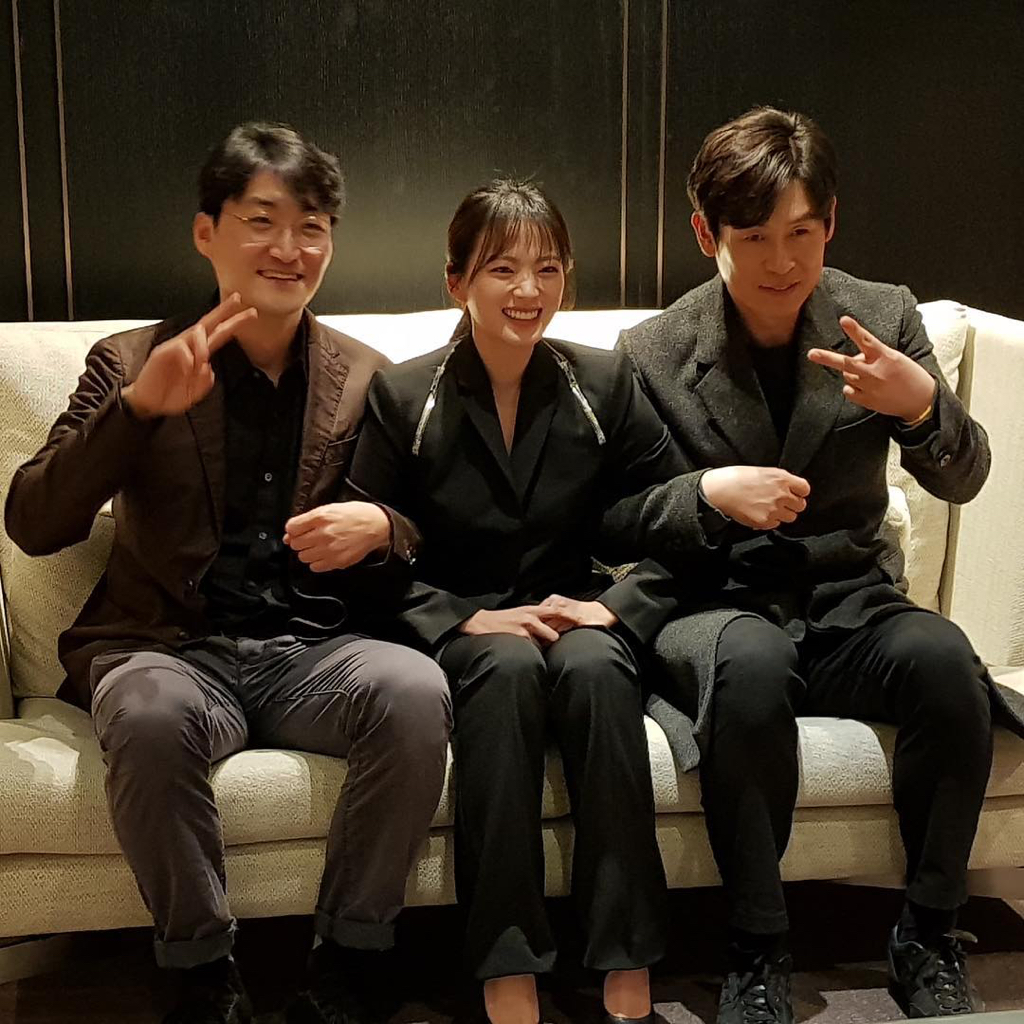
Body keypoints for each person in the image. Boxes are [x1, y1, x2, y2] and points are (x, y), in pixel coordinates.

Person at [4, 122, 452, 1024]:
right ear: (207, 232)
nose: (290, 248)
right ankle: (203, 970)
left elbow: (429, 525)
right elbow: (35, 521)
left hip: (312, 651)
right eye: (262, 220)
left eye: (312, 226)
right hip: (167, 647)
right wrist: (136, 412)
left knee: (412, 691)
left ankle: (351, 959)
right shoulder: (131, 361)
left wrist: (385, 527)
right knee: (148, 715)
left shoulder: (370, 378)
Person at [608, 106, 1024, 1023]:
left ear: (830, 222)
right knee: (750, 669)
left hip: (849, 601)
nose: (781, 261)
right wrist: (708, 494)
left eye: (801, 232)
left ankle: (930, 930)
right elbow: (614, 520)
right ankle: (758, 947)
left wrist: (921, 406)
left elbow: (965, 476)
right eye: (754, 236)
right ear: (706, 234)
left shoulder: (881, 315)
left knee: (947, 665)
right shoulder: (652, 353)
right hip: (718, 603)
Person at [346, 179, 687, 1024]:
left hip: (576, 610)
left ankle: (627, 953)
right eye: (502, 268)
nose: (528, 290)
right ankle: (507, 962)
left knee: (598, 669)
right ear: (456, 281)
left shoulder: (603, 382)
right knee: (502, 670)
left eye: (548, 268)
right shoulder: (404, 396)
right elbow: (364, 554)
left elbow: (675, 516)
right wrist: (459, 617)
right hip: (465, 621)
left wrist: (620, 607)